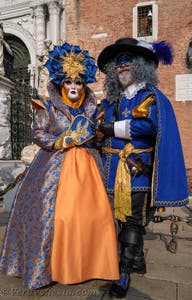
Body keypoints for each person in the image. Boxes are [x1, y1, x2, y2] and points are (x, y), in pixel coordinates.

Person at [0, 42, 119, 289]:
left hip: (88, 170)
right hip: (52, 168)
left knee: (94, 216)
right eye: (68, 82)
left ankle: (92, 263)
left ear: (84, 84)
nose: (74, 87)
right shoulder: (48, 107)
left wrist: (93, 135)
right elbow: (37, 132)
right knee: (57, 217)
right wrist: (58, 141)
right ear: (60, 83)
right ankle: (51, 267)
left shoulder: (93, 109)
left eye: (78, 82)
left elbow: (98, 137)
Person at [97, 37, 189, 298]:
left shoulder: (149, 96)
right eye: (118, 63)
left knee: (133, 223)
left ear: (140, 66)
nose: (122, 67)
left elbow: (150, 126)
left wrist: (112, 128)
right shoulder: (112, 100)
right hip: (110, 171)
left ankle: (123, 273)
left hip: (136, 172)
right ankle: (135, 260)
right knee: (116, 221)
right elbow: (96, 126)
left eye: (128, 62)